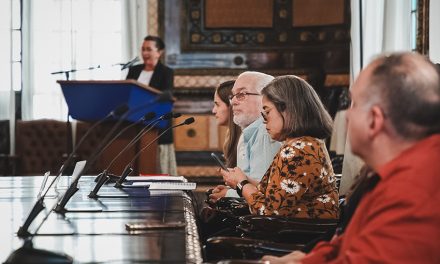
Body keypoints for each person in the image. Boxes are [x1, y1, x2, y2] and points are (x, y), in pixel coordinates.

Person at [263, 52, 440, 263]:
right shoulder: (395, 170)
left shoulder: (414, 189)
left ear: (374, 120)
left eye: (353, 104)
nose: (346, 115)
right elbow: (352, 239)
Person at [221, 75, 339, 218]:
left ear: (288, 110)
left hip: (292, 235)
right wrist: (243, 181)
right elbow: (276, 192)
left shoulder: (299, 149)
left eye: (267, 112)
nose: (264, 122)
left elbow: (268, 211)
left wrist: (242, 184)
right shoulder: (305, 144)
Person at [209, 71, 282, 202]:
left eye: (241, 94)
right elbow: (252, 185)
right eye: (233, 96)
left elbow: (264, 195)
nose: (233, 102)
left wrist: (227, 194)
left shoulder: (266, 133)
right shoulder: (249, 132)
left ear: (265, 98)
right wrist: (232, 189)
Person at [126, 35, 177, 175]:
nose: (145, 53)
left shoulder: (166, 72)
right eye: (143, 49)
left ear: (159, 52)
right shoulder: (134, 70)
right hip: (133, 124)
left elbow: (166, 96)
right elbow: (126, 94)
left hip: (157, 126)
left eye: (149, 49)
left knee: (158, 169)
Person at [212, 80, 241, 168]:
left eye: (217, 105)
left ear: (232, 104)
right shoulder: (231, 137)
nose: (213, 110)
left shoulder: (247, 138)